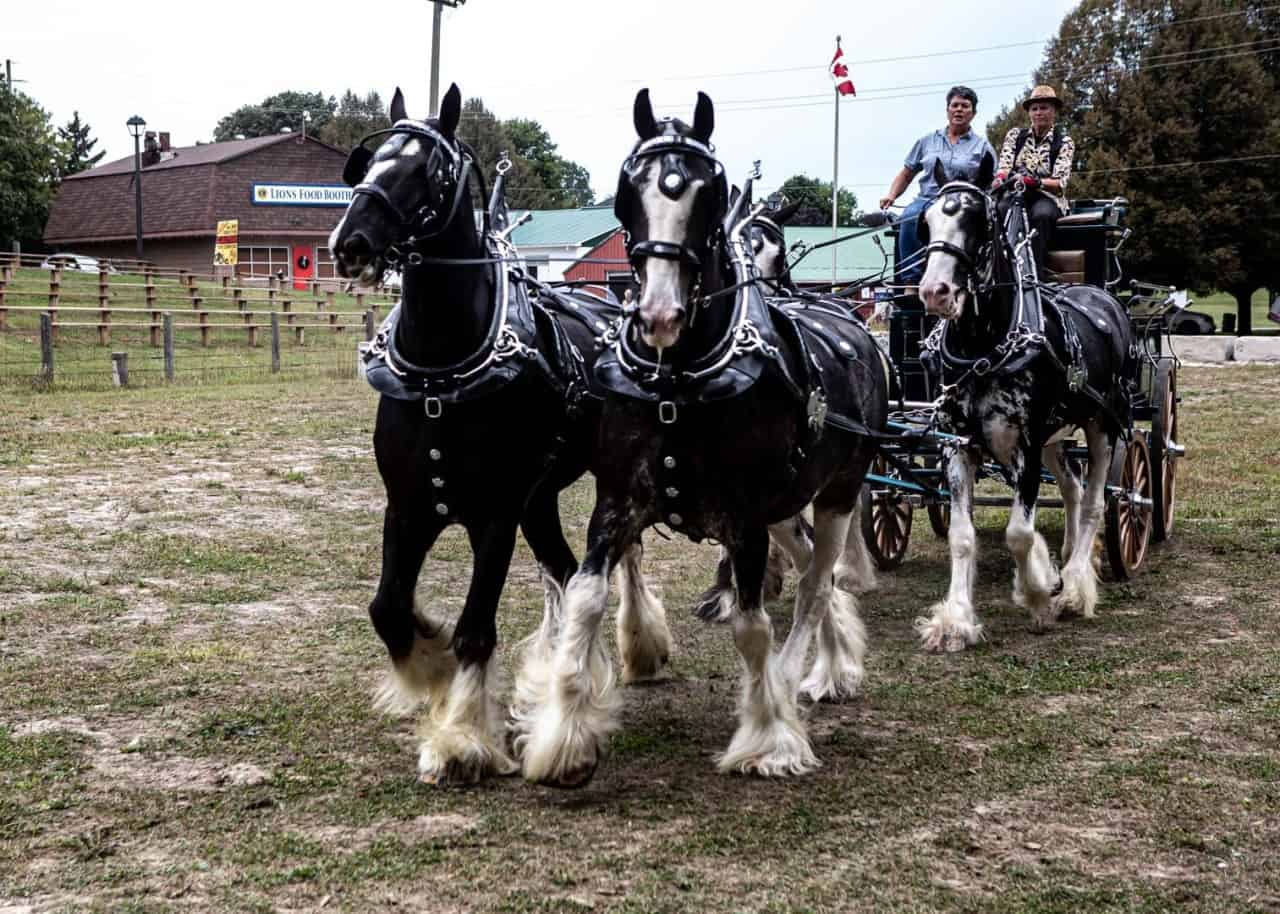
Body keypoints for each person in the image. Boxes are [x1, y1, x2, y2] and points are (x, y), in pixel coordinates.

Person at [880, 86, 997, 288]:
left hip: (964, 203)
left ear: (973, 113)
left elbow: (992, 181)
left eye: (965, 106)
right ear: (947, 110)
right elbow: (907, 173)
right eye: (955, 105)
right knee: (909, 217)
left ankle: (967, 275)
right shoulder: (926, 141)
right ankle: (911, 281)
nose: (959, 110)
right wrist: (892, 195)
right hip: (929, 199)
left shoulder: (983, 147)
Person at [993, 85, 1076, 275]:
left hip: (1047, 197)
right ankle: (1000, 270)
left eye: (1044, 107)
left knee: (1041, 215)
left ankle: (1034, 274)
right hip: (1015, 192)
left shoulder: (1064, 142)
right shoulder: (1015, 136)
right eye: (1034, 108)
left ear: (1054, 111)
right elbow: (1004, 167)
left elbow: (1060, 183)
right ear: (1029, 112)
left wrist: (1036, 182)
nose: (1039, 113)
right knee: (1001, 209)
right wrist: (1000, 179)